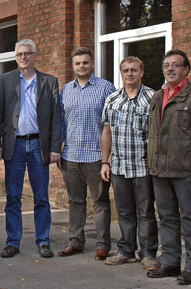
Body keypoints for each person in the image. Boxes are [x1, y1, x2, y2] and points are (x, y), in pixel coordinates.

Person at [146, 50, 191, 285]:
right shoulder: (157, 97)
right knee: (166, 217)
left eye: (176, 65)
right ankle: (170, 262)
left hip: (185, 171)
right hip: (159, 170)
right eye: (166, 65)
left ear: (186, 69)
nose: (170, 69)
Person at [0, 39, 61, 258]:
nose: (23, 57)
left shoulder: (49, 82)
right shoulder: (6, 80)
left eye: (27, 53)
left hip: (38, 144)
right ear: (16, 57)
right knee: (13, 196)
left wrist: (54, 147)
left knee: (41, 196)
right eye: (19, 54)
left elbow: (55, 118)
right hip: (14, 144)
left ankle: (43, 240)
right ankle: (13, 241)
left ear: (35, 55)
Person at [100, 56, 158, 270]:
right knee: (124, 211)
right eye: (126, 70)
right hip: (119, 166)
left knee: (145, 212)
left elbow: (157, 134)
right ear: (121, 73)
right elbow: (106, 132)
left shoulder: (153, 98)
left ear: (141, 72)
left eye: (134, 70)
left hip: (143, 166)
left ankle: (148, 253)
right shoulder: (113, 99)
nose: (130, 74)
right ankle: (126, 250)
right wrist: (105, 162)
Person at [58, 47, 115, 261]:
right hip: (71, 156)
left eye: (85, 62)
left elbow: (111, 124)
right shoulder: (66, 90)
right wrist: (60, 149)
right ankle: (75, 242)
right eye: (78, 63)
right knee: (75, 201)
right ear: (72, 66)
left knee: (100, 202)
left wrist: (107, 159)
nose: (82, 66)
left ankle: (103, 245)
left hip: (95, 157)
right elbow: (62, 122)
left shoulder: (106, 88)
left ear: (92, 64)